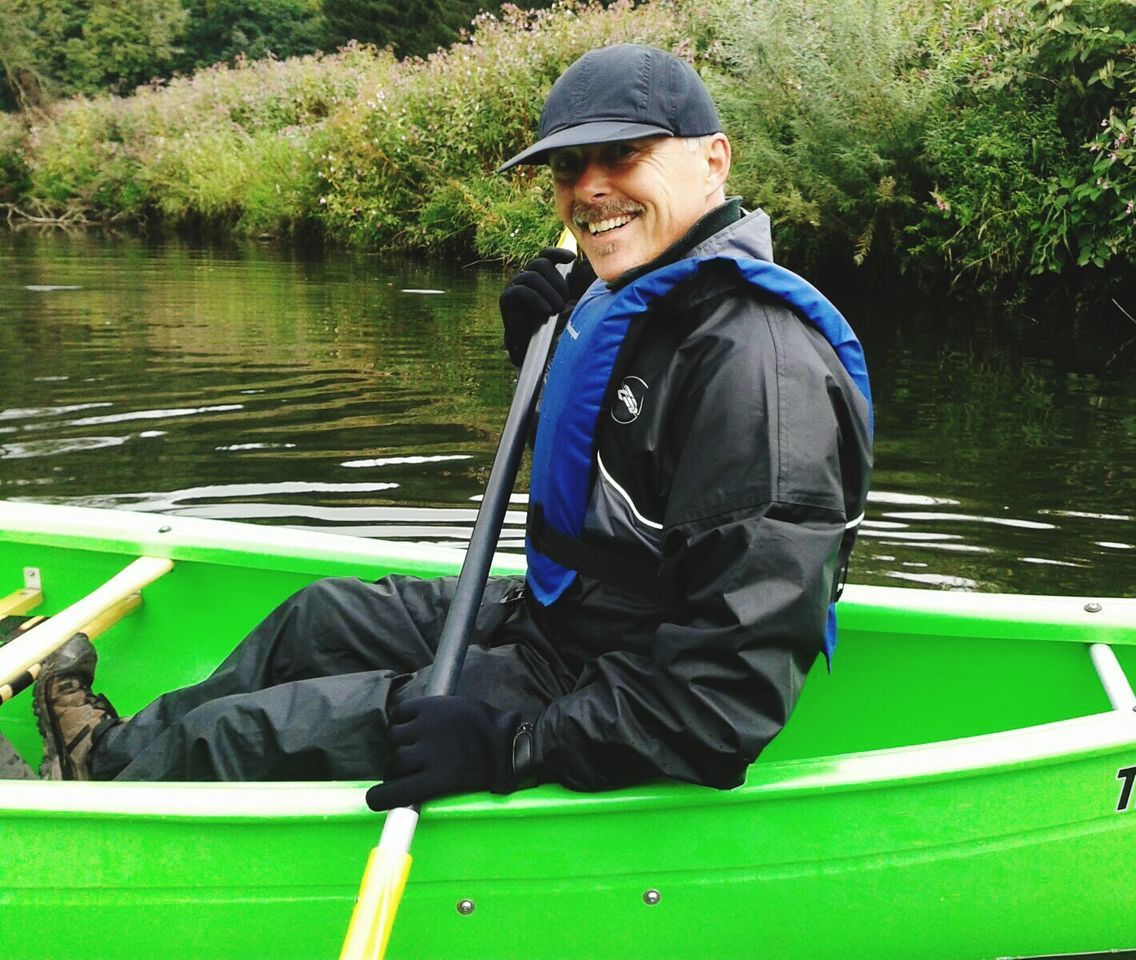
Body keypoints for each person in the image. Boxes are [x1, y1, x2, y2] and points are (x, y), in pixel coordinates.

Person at [34, 44, 873, 808]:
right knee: (317, 618)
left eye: (622, 155)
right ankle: (119, 754)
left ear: (713, 159)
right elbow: (624, 480)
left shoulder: (760, 374)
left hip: (609, 682)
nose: (588, 188)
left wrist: (512, 747)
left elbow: (722, 701)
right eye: (569, 167)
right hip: (559, 618)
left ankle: (97, 784)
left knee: (268, 728)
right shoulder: (647, 295)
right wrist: (543, 356)